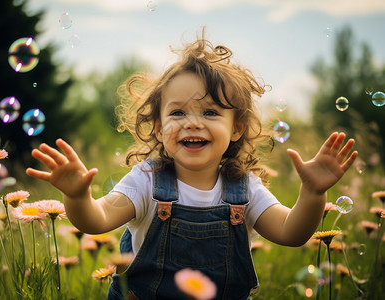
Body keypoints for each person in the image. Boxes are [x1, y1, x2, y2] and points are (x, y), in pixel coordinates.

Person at [26, 29, 358, 300]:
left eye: (211, 112)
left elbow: (292, 233)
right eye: (178, 112)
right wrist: (77, 198)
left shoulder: (246, 189)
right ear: (158, 126)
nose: (193, 123)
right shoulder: (146, 180)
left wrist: (313, 193)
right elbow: (97, 221)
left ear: (236, 128)